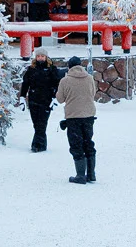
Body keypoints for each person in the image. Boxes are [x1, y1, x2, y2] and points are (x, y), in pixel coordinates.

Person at [58, 56, 97, 184]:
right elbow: (93, 93)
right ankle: (91, 174)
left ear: (69, 67)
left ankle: (80, 175)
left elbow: (60, 99)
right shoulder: (90, 78)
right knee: (88, 143)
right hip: (89, 115)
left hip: (73, 116)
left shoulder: (65, 80)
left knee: (76, 145)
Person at [17, 49, 63, 152]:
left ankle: (36, 146)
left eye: (42, 56)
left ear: (46, 57)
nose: (40, 58)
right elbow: (25, 84)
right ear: (35, 57)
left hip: (46, 101)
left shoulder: (52, 69)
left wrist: (55, 98)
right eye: (38, 56)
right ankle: (41, 145)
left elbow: (57, 84)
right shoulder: (31, 69)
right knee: (36, 124)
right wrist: (22, 98)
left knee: (42, 124)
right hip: (33, 100)